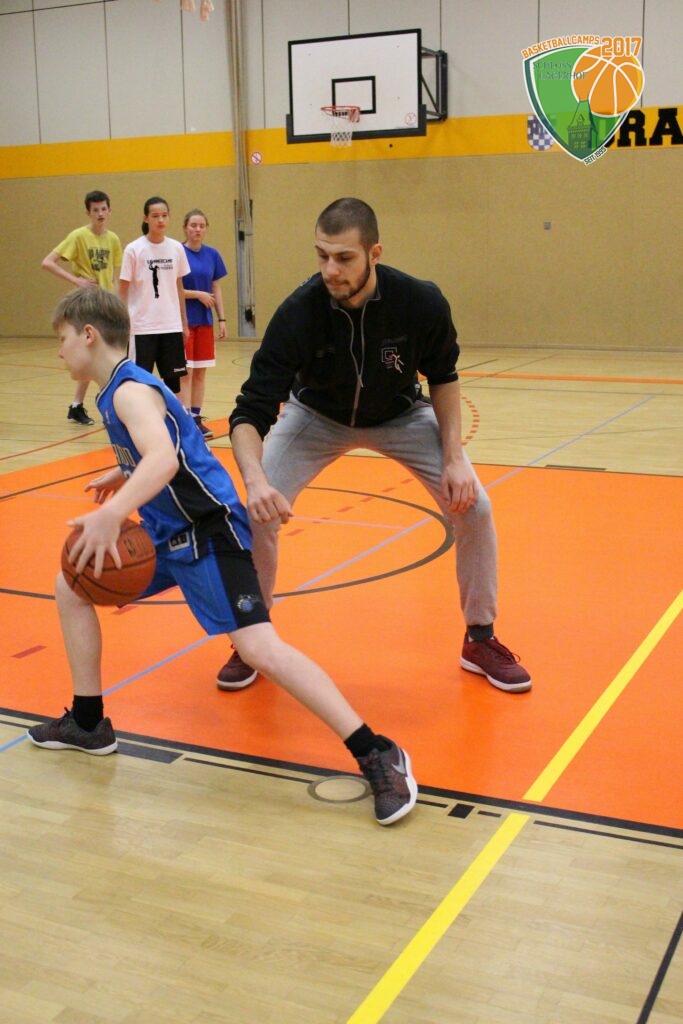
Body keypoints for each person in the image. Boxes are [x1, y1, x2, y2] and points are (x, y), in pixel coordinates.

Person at [27, 288, 417, 828]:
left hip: (209, 532)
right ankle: (88, 722)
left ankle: (377, 751)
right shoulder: (122, 387)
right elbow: (178, 440)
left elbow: (164, 459)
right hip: (168, 533)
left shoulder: (129, 393)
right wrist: (124, 469)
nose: (59, 350)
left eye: (63, 338)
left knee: (259, 648)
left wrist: (115, 512)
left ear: (88, 334)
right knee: (70, 584)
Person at [220, 197, 532, 695]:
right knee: (254, 512)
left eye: (344, 258)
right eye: (322, 255)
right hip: (315, 416)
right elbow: (249, 412)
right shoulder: (298, 313)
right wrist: (255, 481)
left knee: (474, 507)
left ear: (374, 253)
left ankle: (480, 638)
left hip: (401, 416)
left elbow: (444, 377)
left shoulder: (419, 302)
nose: (330, 269)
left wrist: (454, 457)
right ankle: (252, 639)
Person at [41, 189, 122, 425]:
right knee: (97, 354)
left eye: (103, 209)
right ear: (88, 212)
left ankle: (77, 405)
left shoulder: (113, 239)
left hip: (105, 303)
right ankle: (102, 404)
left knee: (99, 355)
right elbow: (47, 262)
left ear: (110, 210)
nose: (100, 213)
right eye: (95, 210)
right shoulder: (78, 236)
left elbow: (113, 275)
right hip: (87, 302)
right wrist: (76, 281)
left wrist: (117, 302)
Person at [118, 196, 191, 408]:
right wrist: (121, 323)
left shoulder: (176, 248)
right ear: (146, 218)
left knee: (174, 384)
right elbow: (122, 290)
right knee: (138, 383)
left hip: (171, 326)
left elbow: (179, 287)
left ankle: (174, 420)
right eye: (155, 216)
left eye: (164, 215)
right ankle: (136, 420)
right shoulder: (134, 249)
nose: (160, 220)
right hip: (141, 327)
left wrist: (183, 323)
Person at [181, 208, 228, 438]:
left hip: (204, 322)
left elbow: (215, 288)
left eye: (201, 226)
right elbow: (172, 288)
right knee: (186, 372)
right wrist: (197, 295)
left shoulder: (212, 254)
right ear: (185, 228)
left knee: (200, 372)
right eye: (193, 225)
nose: (197, 229)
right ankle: (184, 420)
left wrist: (222, 318)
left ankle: (196, 418)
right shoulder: (178, 252)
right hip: (184, 321)